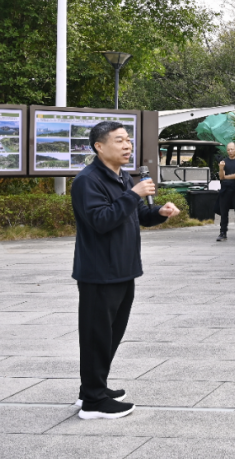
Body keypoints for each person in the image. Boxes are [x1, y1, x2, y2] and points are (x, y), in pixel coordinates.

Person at [72, 121, 179, 419]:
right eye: (119, 140)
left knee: (110, 335)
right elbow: (101, 220)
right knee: (96, 337)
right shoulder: (88, 180)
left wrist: (159, 212)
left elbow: (138, 214)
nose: (127, 145)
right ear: (99, 146)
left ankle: (93, 388)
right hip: (99, 272)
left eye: (128, 140)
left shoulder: (122, 176)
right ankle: (93, 402)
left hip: (123, 269)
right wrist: (133, 194)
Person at [216, 142, 235, 242]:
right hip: (225, 189)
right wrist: (221, 168)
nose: (230, 151)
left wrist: (225, 177)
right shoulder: (224, 161)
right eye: (228, 149)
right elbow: (221, 177)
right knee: (223, 212)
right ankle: (223, 232)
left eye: (232, 149)